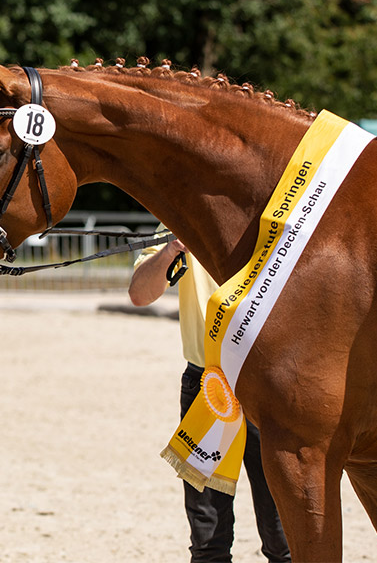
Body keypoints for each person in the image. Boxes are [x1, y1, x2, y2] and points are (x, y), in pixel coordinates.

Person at [129, 226, 291, 563]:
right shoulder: (179, 214)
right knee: (208, 540)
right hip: (206, 387)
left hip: (266, 385)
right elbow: (140, 294)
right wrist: (169, 251)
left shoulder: (272, 207)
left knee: (283, 538)